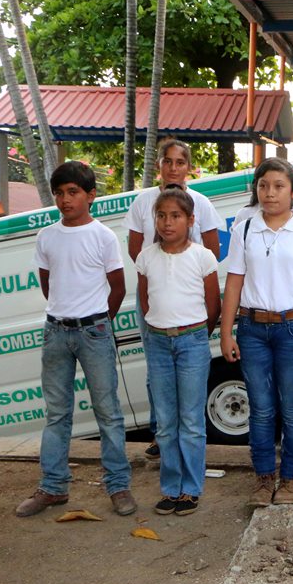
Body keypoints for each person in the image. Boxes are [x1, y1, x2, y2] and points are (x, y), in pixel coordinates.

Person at [16, 161, 135, 518]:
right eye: (59, 193)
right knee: (57, 414)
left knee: (108, 413)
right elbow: (47, 282)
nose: (65, 199)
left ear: (90, 196)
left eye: (73, 192)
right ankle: (53, 487)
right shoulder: (47, 237)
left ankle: (118, 486)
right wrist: (65, 313)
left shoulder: (103, 236)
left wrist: (97, 322)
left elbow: (118, 287)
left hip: (93, 332)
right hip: (55, 332)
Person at [220, 158, 293, 508]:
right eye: (264, 185)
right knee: (262, 408)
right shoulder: (245, 229)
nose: (270, 193)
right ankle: (264, 476)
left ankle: (292, 476)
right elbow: (234, 283)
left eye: (279, 186)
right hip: (252, 330)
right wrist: (226, 333)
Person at [123, 139, 222, 460]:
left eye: (180, 162)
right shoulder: (143, 202)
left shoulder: (201, 204)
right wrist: (157, 275)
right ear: (159, 166)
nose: (174, 168)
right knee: (156, 371)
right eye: (168, 161)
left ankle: (187, 441)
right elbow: (135, 248)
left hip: (190, 300)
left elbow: (213, 251)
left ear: (189, 168)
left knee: (190, 371)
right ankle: (160, 434)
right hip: (153, 293)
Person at [136, 187, 221, 516]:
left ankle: (191, 488)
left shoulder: (202, 257)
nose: (167, 223)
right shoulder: (146, 258)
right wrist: (158, 325)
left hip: (192, 343)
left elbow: (212, 303)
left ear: (190, 220)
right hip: (158, 343)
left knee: (191, 420)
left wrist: (198, 331)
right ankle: (170, 487)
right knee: (166, 423)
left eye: (175, 216)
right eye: (161, 216)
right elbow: (145, 301)